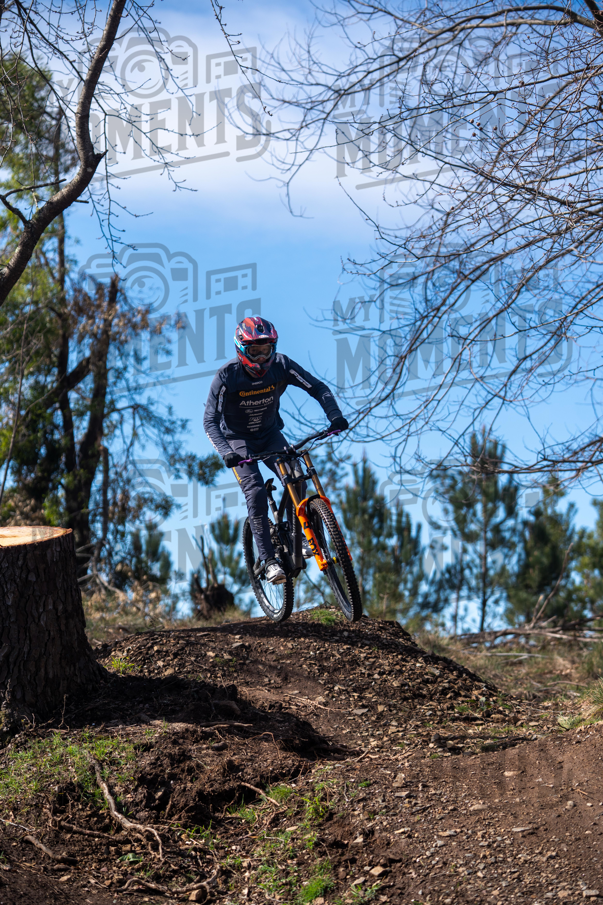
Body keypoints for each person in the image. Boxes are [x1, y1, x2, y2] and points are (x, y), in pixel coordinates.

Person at [204, 316, 348, 584]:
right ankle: (268, 560)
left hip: (270, 435)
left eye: (265, 350)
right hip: (238, 441)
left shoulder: (281, 365)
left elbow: (317, 387)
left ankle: (302, 537)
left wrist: (334, 416)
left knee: (296, 476)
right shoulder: (227, 377)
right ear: (241, 350)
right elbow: (209, 421)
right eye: (254, 352)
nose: (260, 358)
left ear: (273, 348)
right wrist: (226, 452)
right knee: (256, 491)